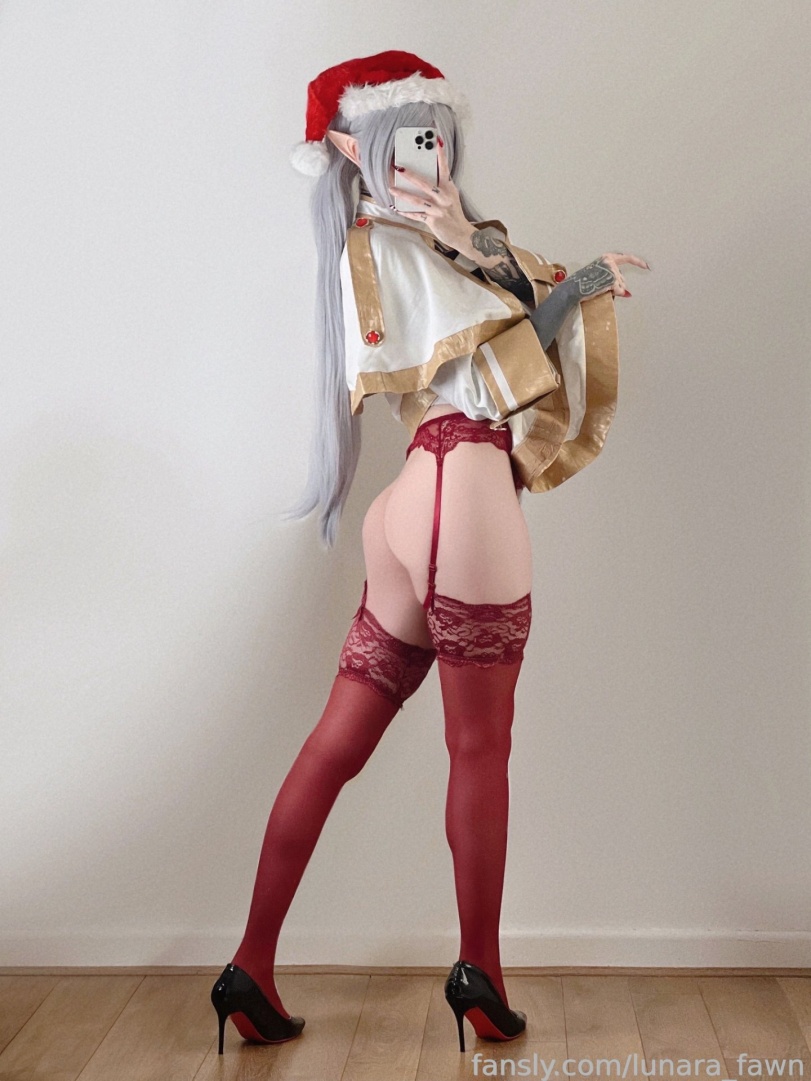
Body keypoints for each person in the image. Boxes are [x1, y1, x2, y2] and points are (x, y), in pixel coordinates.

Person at [210, 49, 651, 1057]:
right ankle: (479, 973)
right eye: (412, 138)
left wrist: (491, 247)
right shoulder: (395, 248)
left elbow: (507, 308)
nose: (433, 157)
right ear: (352, 149)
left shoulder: (388, 247)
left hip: (409, 503)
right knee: (479, 746)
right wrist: (559, 277)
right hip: (465, 489)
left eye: (440, 138)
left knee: (335, 742)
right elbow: (503, 364)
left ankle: (248, 966)